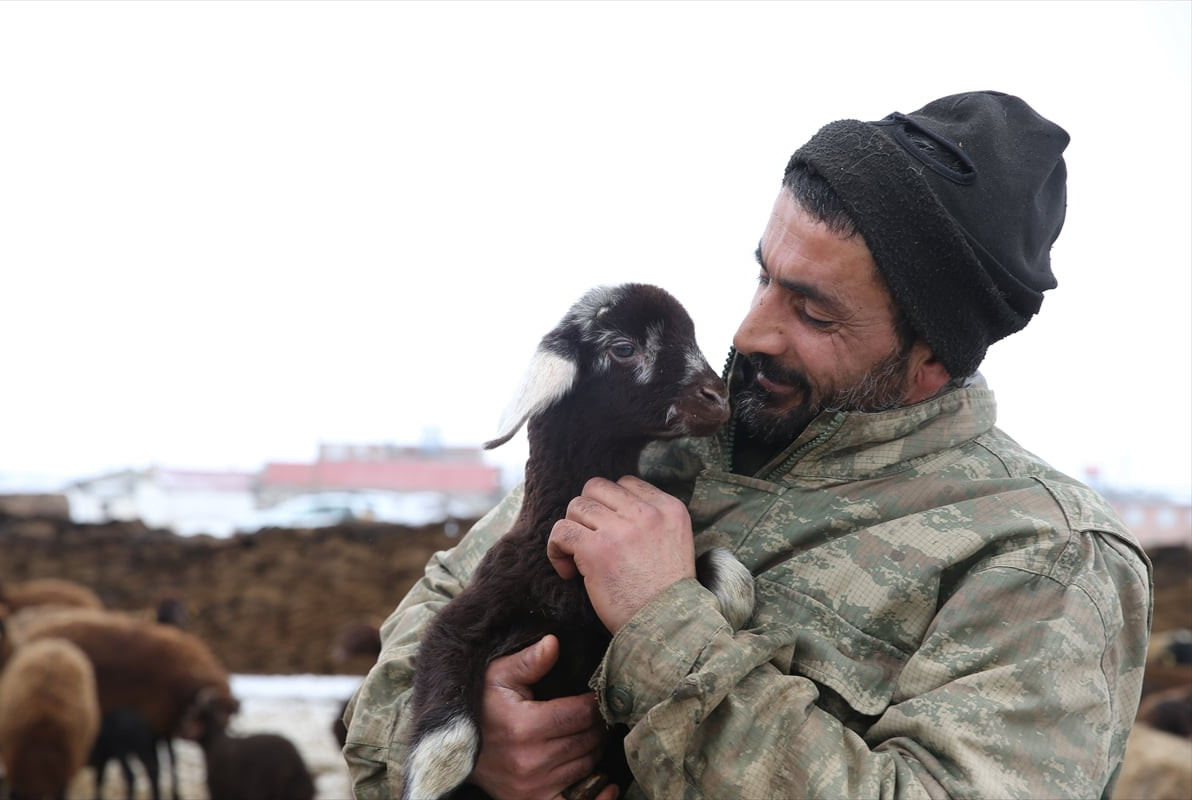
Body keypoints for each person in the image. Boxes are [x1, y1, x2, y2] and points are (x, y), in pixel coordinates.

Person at [342, 91, 1152, 800]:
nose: (749, 331)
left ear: (933, 357)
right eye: (763, 276)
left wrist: (665, 625)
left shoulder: (1043, 555)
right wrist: (477, 744)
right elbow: (393, 690)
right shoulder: (645, 436)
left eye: (813, 311)